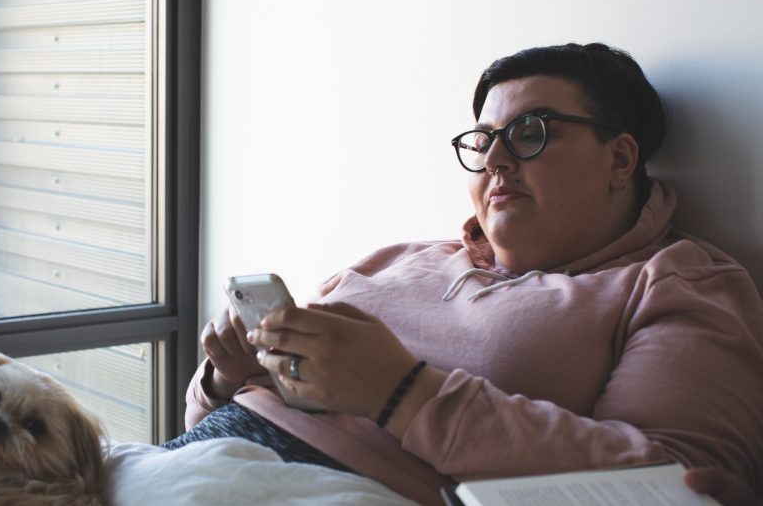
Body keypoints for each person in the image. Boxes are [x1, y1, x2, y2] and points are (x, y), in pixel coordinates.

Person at [163, 43, 763, 505]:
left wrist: (403, 393)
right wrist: (225, 376)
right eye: (483, 141)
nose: (495, 159)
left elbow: (680, 486)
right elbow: (208, 419)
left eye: (530, 133)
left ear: (621, 158)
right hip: (198, 456)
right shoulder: (397, 257)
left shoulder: (678, 281)